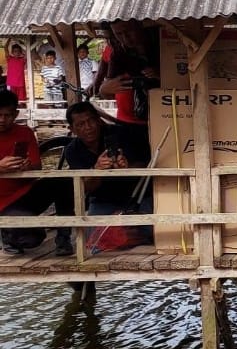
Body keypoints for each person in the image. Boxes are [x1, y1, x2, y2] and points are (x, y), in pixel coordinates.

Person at [63, 102, 152, 244]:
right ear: (72, 129)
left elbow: (147, 164)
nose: (88, 127)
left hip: (137, 196)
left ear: (99, 120)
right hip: (103, 200)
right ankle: (122, 235)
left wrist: (128, 168)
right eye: (80, 124)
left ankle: (123, 235)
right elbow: (86, 187)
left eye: (91, 120)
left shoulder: (122, 134)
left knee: (153, 229)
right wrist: (96, 171)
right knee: (93, 236)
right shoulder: (72, 150)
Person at [0, 90, 75, 255]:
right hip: (3, 202)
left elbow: (37, 166)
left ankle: (64, 238)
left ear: (16, 114)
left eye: (7, 115)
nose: (2, 120)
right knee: (34, 237)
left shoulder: (25, 132)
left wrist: (26, 166)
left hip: (26, 194)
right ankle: (8, 234)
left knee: (62, 181)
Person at [96, 20, 160, 163]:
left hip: (164, 118)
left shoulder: (161, 42)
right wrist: (104, 88)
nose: (125, 38)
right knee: (133, 163)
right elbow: (105, 91)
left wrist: (161, 75)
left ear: (139, 25)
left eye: (128, 31)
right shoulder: (118, 53)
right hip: (128, 122)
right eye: (119, 34)